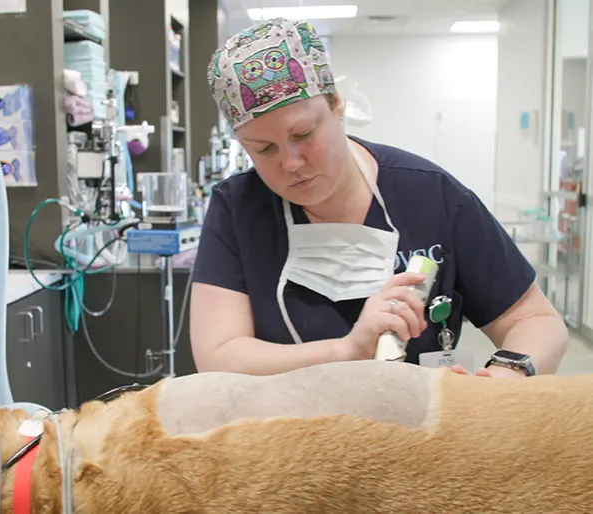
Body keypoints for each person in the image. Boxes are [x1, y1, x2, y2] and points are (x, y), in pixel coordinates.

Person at [190, 17, 568, 378]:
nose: (291, 163)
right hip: (286, 433)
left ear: (337, 106)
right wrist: (345, 351)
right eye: (264, 149)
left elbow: (535, 321)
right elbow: (218, 354)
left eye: (303, 134)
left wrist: (507, 375)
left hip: (415, 432)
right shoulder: (237, 209)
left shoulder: (431, 195)